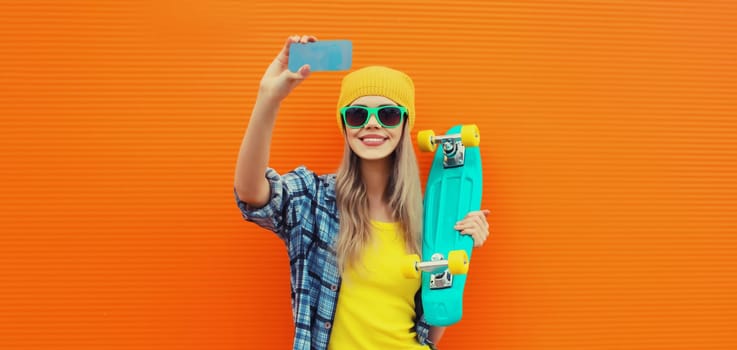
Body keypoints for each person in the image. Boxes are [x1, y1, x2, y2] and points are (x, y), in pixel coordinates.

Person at [233, 35, 491, 350]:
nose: (371, 124)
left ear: (404, 125)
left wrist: (459, 247)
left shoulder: (425, 218)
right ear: (344, 125)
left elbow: (431, 328)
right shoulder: (315, 202)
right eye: (357, 115)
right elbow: (250, 192)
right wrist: (268, 98)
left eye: (388, 114)